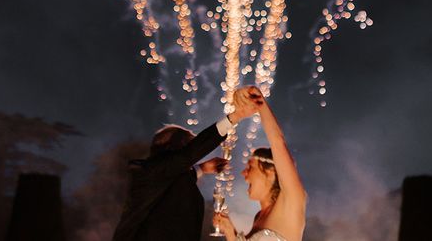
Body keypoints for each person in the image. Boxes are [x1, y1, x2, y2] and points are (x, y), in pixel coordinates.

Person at [112, 94, 258, 241]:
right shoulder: (148, 171)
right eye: (188, 148)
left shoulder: (160, 176)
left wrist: (202, 168)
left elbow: (174, 180)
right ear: (175, 150)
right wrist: (234, 117)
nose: (192, 159)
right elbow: (183, 160)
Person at [214, 86, 307, 241]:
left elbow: (278, 142)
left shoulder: (292, 200)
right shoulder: (259, 215)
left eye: (250, 167)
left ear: (270, 172)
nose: (244, 174)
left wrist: (259, 102)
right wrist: (230, 232)